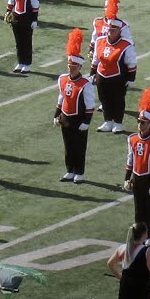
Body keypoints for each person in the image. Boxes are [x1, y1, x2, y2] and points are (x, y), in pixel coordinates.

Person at [123, 88, 150, 244]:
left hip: (149, 179)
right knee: (138, 209)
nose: (140, 125)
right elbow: (130, 159)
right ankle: (139, 235)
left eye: (143, 122)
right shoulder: (132, 138)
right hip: (137, 178)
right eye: (139, 122)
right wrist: (127, 178)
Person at [55, 28, 95, 183]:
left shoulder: (85, 83)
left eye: (73, 66)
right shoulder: (63, 79)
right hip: (65, 118)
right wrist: (56, 114)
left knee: (79, 147)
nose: (70, 68)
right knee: (68, 146)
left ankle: (80, 172)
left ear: (79, 67)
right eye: (69, 65)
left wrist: (86, 121)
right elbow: (61, 97)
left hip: (78, 119)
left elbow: (90, 104)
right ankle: (70, 170)